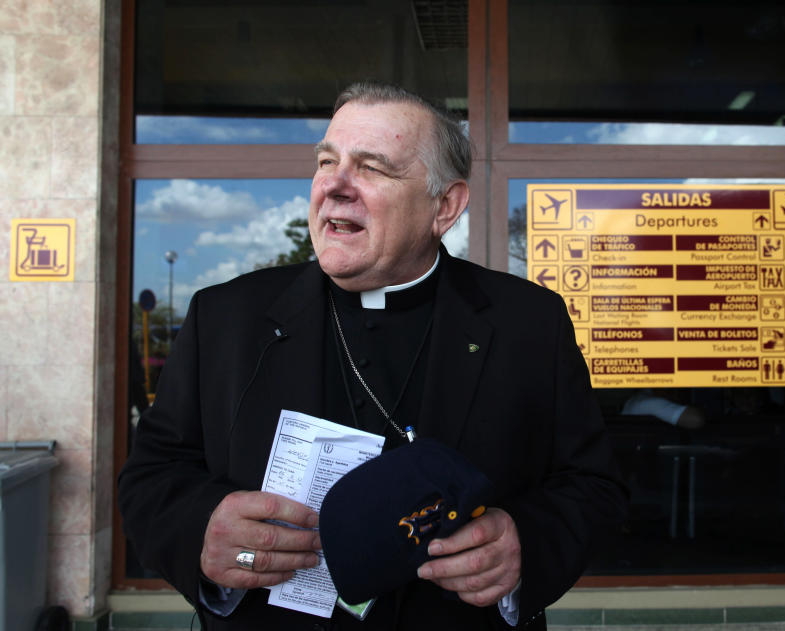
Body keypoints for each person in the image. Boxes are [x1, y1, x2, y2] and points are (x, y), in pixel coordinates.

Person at [118, 82, 626, 631]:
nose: (335, 186)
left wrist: (524, 545)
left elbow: (594, 485)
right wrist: (202, 531)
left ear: (445, 206)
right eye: (326, 162)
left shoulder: (530, 322)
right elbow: (152, 475)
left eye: (372, 168)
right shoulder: (226, 317)